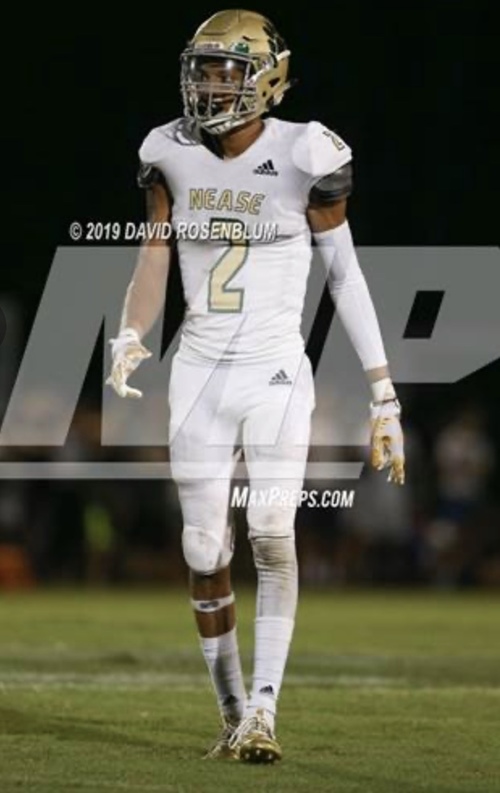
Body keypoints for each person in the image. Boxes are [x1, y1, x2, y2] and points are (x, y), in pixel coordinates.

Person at [106, 8, 405, 764]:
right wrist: (132, 331)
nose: (210, 85)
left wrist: (384, 392)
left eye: (226, 71)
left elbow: (346, 275)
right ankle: (233, 712)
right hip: (199, 370)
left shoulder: (306, 150)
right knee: (204, 546)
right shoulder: (169, 149)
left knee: (272, 530)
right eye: (203, 70)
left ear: (266, 79)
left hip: (274, 369)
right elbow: (154, 253)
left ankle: (264, 711)